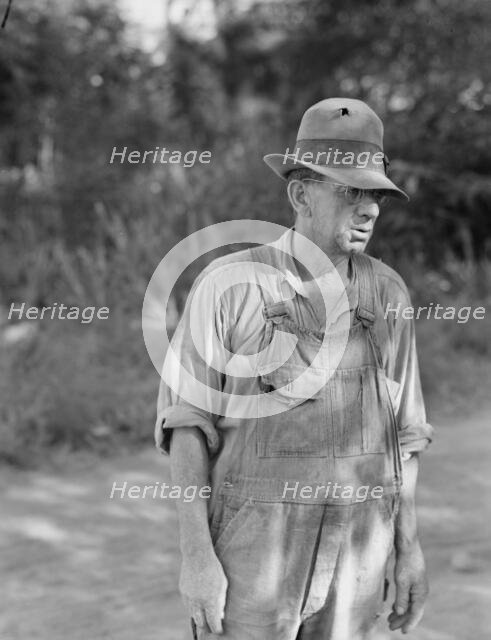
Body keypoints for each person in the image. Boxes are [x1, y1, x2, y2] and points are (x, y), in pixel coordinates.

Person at [155, 98, 434, 640]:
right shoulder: (228, 284)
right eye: (349, 191)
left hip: (359, 553)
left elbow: (405, 436)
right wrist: (196, 558)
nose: (370, 208)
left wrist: (408, 549)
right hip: (252, 554)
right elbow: (186, 423)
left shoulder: (389, 294)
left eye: (375, 194)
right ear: (300, 194)